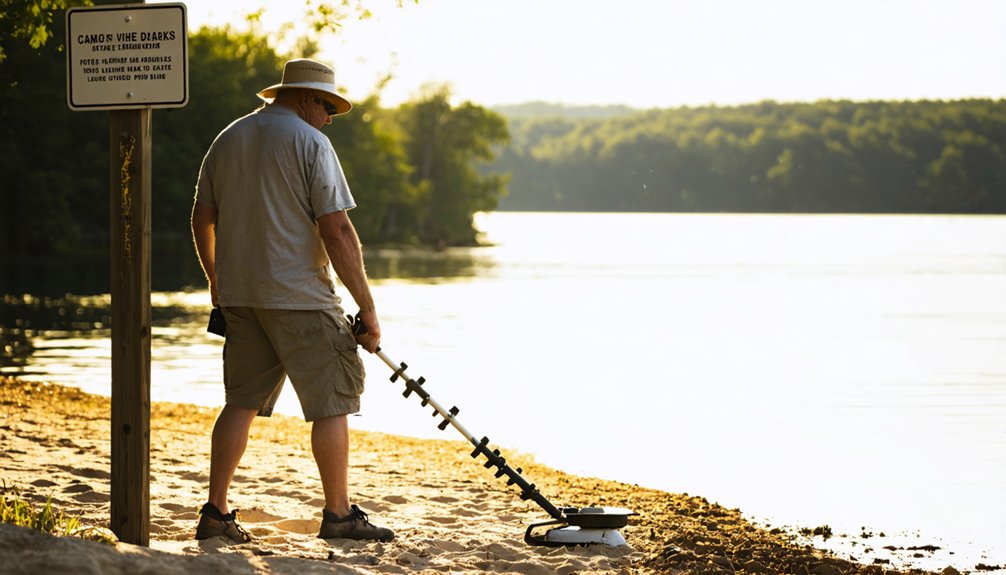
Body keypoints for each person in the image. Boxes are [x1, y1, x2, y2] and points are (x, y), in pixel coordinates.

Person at [190, 58, 392, 544]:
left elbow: (201, 219)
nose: (328, 118)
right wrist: (367, 306)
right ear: (303, 98)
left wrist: (216, 279)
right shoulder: (311, 143)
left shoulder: (227, 138)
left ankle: (215, 512)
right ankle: (339, 516)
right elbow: (338, 229)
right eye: (326, 107)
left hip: (241, 298)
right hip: (301, 298)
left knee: (238, 403)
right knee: (332, 405)